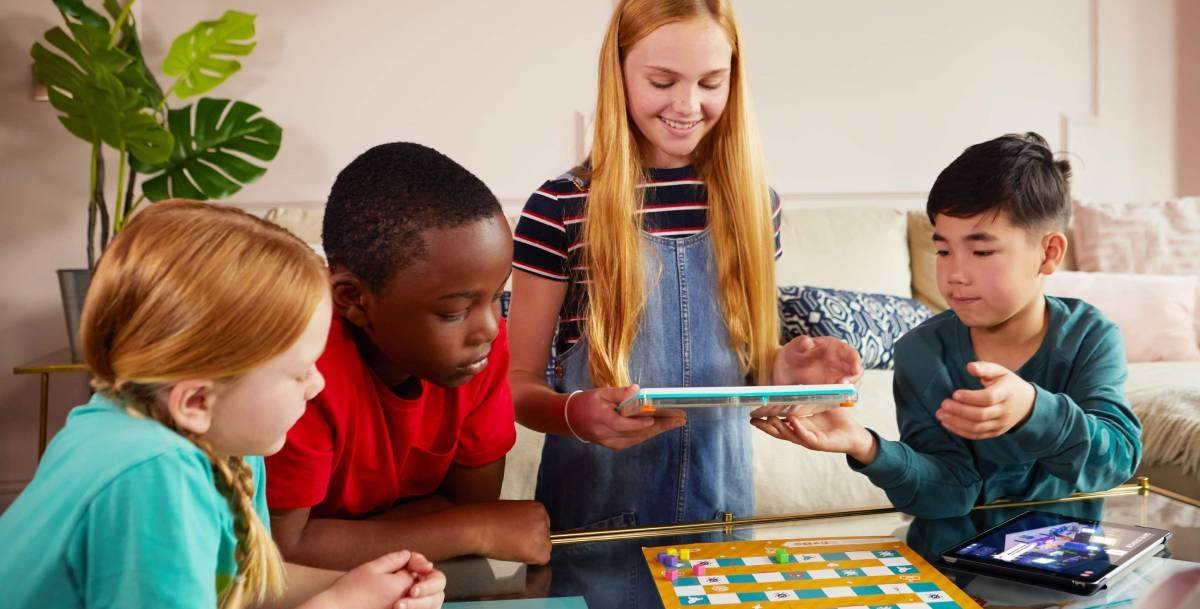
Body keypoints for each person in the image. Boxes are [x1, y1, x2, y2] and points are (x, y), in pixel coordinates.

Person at [507, 0, 862, 533]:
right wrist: (577, 415)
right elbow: (515, 384)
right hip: (594, 529)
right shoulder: (558, 207)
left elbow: (744, 364)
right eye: (662, 80)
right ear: (619, 72)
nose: (688, 103)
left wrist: (788, 372)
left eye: (711, 82)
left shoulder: (756, 207)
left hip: (719, 524)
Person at [0, 200, 445, 609]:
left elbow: (237, 582)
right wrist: (336, 605)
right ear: (195, 400)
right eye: (299, 371)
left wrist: (365, 586)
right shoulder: (153, 472)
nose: (318, 384)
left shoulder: (222, 436)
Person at [755, 132, 1142, 518]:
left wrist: (1033, 410)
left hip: (1064, 563)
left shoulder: (1089, 337)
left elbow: (1115, 463)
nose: (955, 273)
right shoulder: (920, 352)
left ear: (1048, 252)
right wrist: (867, 446)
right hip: (951, 566)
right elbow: (947, 492)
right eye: (942, 250)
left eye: (981, 251)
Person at [266, 143, 551, 569]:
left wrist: (349, 537)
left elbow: (469, 500)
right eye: (453, 311)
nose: (491, 328)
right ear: (352, 299)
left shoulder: (478, 351)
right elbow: (285, 550)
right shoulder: (299, 368)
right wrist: (472, 530)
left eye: (496, 297)